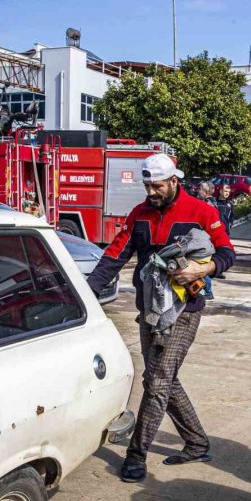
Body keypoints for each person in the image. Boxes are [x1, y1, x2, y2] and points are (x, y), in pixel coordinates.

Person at [87, 153, 235, 483]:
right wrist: (86, 292)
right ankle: (196, 442)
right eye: (147, 186)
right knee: (162, 380)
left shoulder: (201, 212)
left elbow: (227, 252)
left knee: (157, 382)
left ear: (173, 182)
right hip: (150, 310)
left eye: (157, 186)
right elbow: (115, 255)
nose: (151, 192)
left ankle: (136, 454)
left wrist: (204, 268)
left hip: (185, 312)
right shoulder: (139, 215)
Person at [197, 181, 219, 299]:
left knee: (202, 263)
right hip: (206, 239)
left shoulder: (208, 205)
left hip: (206, 239)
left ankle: (208, 291)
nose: (197, 191)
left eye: (200, 189)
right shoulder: (211, 203)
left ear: (205, 192)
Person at [215, 185, 235, 280]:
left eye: (228, 191)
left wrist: (230, 224)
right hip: (215, 230)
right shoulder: (215, 203)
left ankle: (220, 269)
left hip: (225, 231)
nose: (227, 193)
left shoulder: (230, 204)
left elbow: (232, 216)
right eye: (225, 191)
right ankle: (213, 269)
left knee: (223, 250)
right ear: (220, 191)